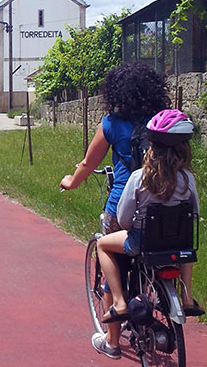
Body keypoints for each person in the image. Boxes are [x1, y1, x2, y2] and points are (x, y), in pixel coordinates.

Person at [59, 62, 169, 360]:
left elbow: (87, 165)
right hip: (166, 204)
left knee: (112, 264)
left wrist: (71, 182)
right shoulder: (162, 121)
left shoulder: (111, 123)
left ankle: (112, 341)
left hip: (125, 206)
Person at [90, 109, 205, 360]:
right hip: (176, 243)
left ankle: (119, 301)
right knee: (185, 246)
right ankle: (186, 297)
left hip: (143, 242)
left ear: (150, 148)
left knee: (103, 245)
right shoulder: (187, 178)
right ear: (184, 150)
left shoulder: (139, 178)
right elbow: (193, 211)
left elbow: (123, 218)